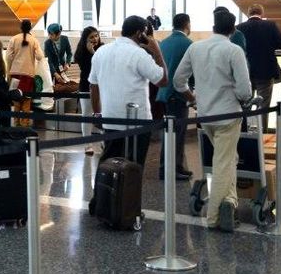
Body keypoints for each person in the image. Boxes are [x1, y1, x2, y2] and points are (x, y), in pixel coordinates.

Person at [174, 10, 252, 232]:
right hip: (228, 115)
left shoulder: (195, 47)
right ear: (233, 30)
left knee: (228, 159)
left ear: (213, 26)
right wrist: (241, 97)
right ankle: (214, 216)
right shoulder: (234, 50)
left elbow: (179, 80)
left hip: (205, 115)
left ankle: (231, 203)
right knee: (223, 163)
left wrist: (193, 98)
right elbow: (245, 90)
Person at [90, 16, 167, 168]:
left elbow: (93, 86)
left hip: (110, 119)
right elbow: (163, 80)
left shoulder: (101, 52)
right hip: (137, 122)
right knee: (133, 169)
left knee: (109, 165)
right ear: (140, 34)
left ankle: (105, 192)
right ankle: (129, 193)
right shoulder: (139, 54)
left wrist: (97, 113)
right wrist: (157, 50)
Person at [236, 4, 281, 130]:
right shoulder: (270, 26)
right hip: (265, 71)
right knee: (264, 105)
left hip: (245, 71)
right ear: (261, 13)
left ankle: (244, 131)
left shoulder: (239, 27)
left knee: (245, 104)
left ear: (248, 13)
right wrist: (269, 45)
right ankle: (262, 133)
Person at [156, 13, 193, 181]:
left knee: (173, 133)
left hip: (164, 93)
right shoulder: (188, 44)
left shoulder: (164, 42)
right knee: (176, 134)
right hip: (178, 94)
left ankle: (177, 166)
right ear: (187, 25)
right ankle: (168, 169)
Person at [6, 19, 44, 127]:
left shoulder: (14, 39)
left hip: (15, 73)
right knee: (27, 100)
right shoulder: (34, 40)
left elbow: (8, 56)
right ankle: (25, 124)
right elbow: (40, 56)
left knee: (16, 99)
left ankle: (16, 123)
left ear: (20, 27)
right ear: (30, 28)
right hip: (28, 74)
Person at [73, 26, 102, 155]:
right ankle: (87, 144)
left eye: (96, 35)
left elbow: (102, 64)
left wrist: (94, 53)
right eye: (91, 37)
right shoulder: (80, 52)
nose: (95, 39)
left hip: (101, 86)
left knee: (102, 114)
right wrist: (90, 52)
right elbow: (86, 70)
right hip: (86, 86)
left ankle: (103, 141)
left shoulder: (102, 49)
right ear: (85, 39)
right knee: (87, 115)